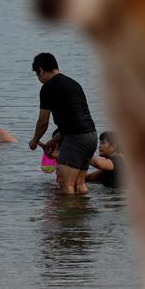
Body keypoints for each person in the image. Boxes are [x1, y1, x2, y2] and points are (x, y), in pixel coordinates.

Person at [28, 53, 97, 195]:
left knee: (66, 185)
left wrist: (34, 141)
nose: (39, 79)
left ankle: (68, 217)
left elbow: (43, 122)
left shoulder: (48, 88)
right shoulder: (74, 84)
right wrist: (53, 141)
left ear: (41, 70)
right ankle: (83, 214)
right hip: (91, 136)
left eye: (37, 75)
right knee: (80, 184)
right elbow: (76, 119)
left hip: (75, 139)